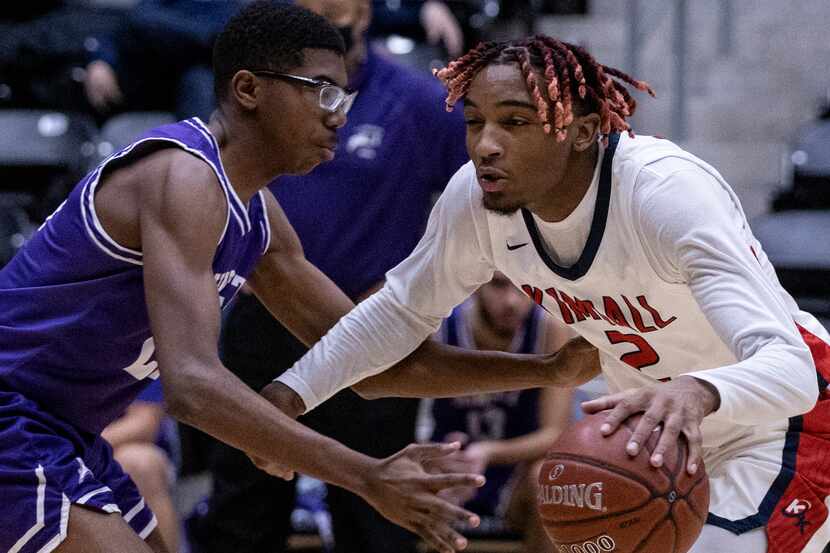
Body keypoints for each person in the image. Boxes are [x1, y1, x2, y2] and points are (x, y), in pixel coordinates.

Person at [0, 7, 601, 553]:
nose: (340, 116)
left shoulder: (257, 218)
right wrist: (365, 474)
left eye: (345, 97)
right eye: (324, 94)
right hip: (15, 415)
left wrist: (547, 371)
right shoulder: (182, 177)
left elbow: (378, 362)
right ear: (248, 90)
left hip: (65, 430)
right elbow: (192, 385)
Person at [266, 36, 830, 552]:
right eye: (474, 121)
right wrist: (292, 395)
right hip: (658, 446)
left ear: (583, 131)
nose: (486, 144)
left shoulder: (665, 194)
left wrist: (697, 389)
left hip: (785, 424)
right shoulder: (477, 201)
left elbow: (793, 369)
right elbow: (397, 313)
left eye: (515, 121)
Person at [185, 0, 470, 550]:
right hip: (260, 318)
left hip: (371, 320)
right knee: (242, 515)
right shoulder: (240, 120)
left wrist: (415, 293)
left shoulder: (416, 101)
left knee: (378, 523)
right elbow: (189, 386)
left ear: (365, 12)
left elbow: (476, 208)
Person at [426, 272, 574, 553]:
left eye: (523, 286)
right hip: (453, 470)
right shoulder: (440, 326)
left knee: (550, 480)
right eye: (498, 284)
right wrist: (436, 457)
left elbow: (555, 435)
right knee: (414, 478)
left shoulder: (548, 328)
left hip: (517, 472)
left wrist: (487, 452)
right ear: (476, 282)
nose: (512, 301)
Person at [83, 0, 246, 121]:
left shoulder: (227, 7)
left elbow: (225, 37)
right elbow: (126, 28)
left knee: (198, 78)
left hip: (202, 74)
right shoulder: (156, 6)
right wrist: (100, 62)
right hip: (148, 74)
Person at [102, 381, 179, 553]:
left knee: (142, 464)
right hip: (48, 448)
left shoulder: (129, 354)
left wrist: (78, 444)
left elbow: (144, 424)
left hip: (115, 447)